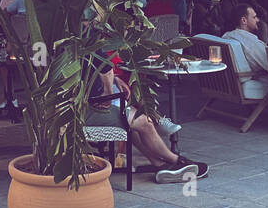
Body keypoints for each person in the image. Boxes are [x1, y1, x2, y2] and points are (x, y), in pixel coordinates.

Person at [88, 55, 208, 183]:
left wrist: (115, 79)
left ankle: (160, 165)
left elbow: (99, 69)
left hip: (88, 105)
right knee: (143, 121)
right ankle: (176, 160)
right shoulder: (90, 42)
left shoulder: (80, 44)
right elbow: (104, 67)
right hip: (87, 110)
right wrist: (108, 93)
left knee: (134, 125)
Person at [221, 1, 268, 76]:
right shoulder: (251, 43)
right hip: (256, 82)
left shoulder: (226, 37)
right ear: (244, 20)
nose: (257, 20)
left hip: (229, 83)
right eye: (254, 17)